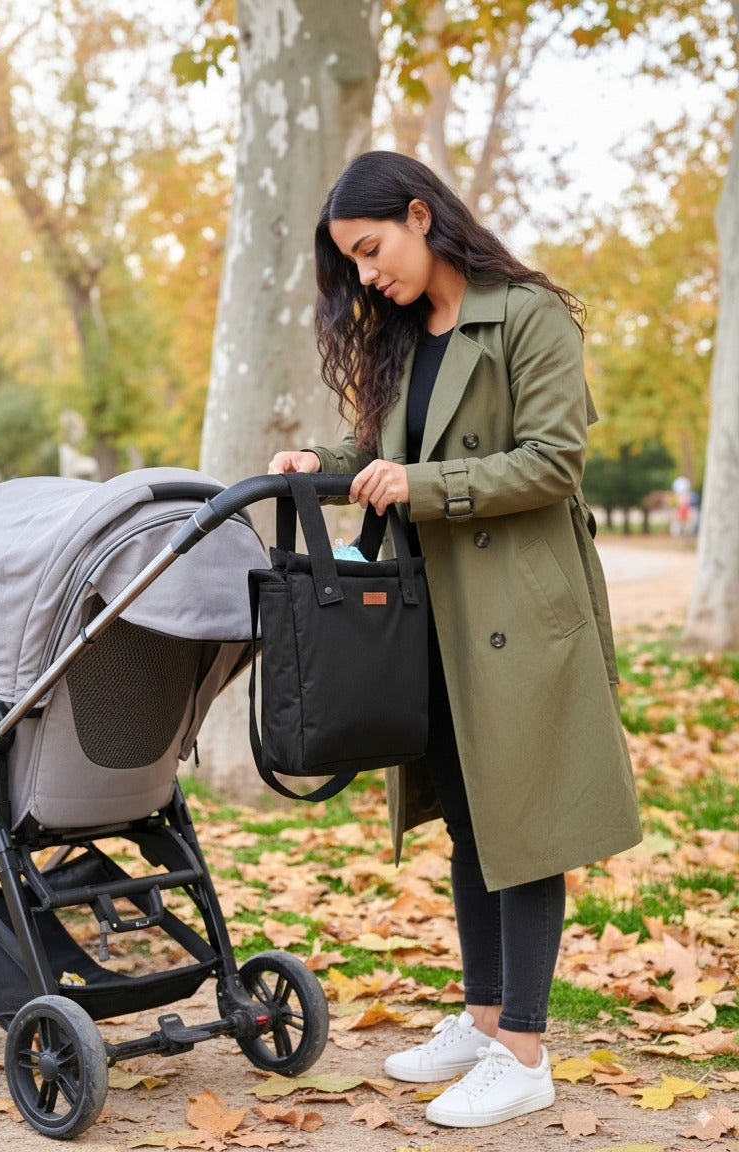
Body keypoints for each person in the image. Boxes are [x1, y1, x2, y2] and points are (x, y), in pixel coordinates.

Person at [268, 151, 642, 1130]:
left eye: (369, 249)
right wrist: (326, 460)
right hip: (429, 612)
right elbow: (394, 455)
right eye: (349, 261)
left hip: (519, 613)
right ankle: (483, 1022)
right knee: (470, 822)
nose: (363, 275)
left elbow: (554, 462)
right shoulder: (402, 337)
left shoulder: (526, 316)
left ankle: (523, 1050)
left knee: (524, 823)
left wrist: (422, 489)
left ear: (420, 215)